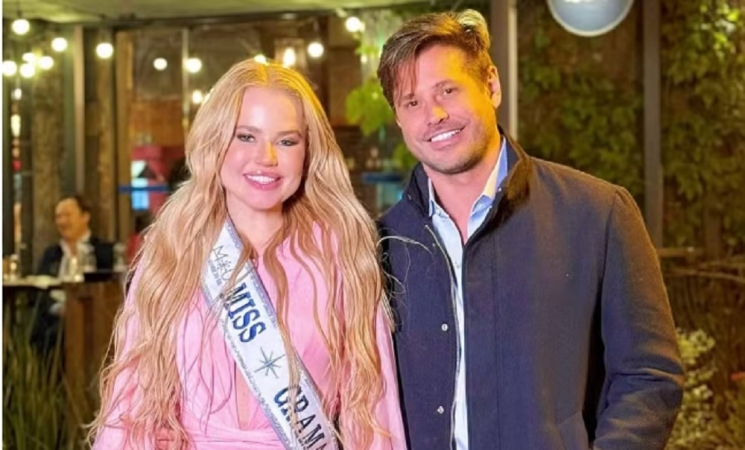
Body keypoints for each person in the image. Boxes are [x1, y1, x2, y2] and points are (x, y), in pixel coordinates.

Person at [376, 9, 683, 450]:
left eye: (447, 90)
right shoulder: (379, 244)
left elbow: (649, 376)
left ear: (491, 85)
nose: (434, 114)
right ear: (399, 119)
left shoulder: (597, 214)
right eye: (412, 102)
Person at [91, 60, 406, 449]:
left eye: (287, 141)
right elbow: (129, 410)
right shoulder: (174, 250)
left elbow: (373, 409)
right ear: (215, 140)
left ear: (308, 152)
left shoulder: (340, 255)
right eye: (245, 136)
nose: (267, 157)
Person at [32, 195, 114, 354]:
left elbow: (110, 290)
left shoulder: (103, 251)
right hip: (54, 320)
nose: (62, 221)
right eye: (58, 217)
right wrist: (57, 308)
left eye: (68, 215)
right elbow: (38, 291)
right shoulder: (51, 254)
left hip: (93, 320)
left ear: (85, 217)